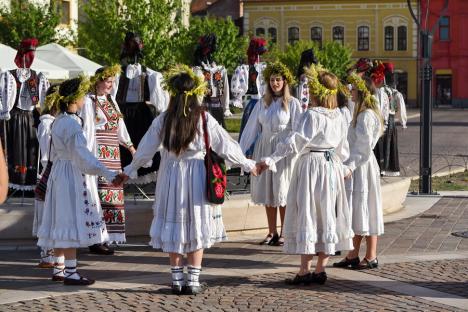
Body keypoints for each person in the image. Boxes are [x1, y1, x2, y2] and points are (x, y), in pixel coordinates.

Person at [121, 65, 258, 295]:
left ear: (172, 94)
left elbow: (145, 150)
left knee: (174, 224)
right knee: (195, 225)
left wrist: (129, 169)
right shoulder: (203, 118)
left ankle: (176, 279)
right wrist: (248, 164)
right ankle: (193, 280)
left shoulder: (164, 119)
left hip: (171, 175)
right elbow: (225, 145)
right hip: (196, 176)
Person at [259, 64, 352, 285]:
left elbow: (295, 142)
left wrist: (271, 158)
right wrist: (345, 168)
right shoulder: (340, 115)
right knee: (327, 214)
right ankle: (320, 268)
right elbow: (343, 148)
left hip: (312, 167)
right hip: (331, 168)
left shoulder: (312, 115)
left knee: (308, 213)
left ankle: (304, 270)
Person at [37, 76, 122, 286]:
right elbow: (83, 157)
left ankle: (59, 267)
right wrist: (109, 173)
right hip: (69, 175)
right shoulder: (72, 124)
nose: (85, 99)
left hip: (59, 173)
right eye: (83, 95)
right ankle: (71, 272)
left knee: (61, 220)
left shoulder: (58, 121)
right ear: (75, 98)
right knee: (70, 221)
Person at [239, 61, 302, 246]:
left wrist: (288, 148)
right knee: (268, 190)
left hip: (283, 150)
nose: (275, 83)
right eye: (272, 80)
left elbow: (298, 130)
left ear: (284, 82)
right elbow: (251, 129)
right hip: (264, 147)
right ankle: (271, 231)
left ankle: (285, 231)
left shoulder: (293, 104)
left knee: (282, 191)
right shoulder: (262, 103)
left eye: (278, 80)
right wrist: (241, 154)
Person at [82, 65, 135, 254]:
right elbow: (88, 130)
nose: (111, 85)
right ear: (98, 81)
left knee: (113, 194)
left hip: (113, 153)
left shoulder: (111, 100)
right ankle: (96, 239)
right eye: (108, 81)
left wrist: (130, 146)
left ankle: (109, 236)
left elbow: (120, 126)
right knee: (100, 195)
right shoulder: (89, 101)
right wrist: (89, 157)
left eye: (112, 82)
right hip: (99, 152)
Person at [334, 73, 384, 270]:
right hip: (358, 165)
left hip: (362, 167)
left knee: (367, 208)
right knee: (358, 209)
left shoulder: (366, 116)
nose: (350, 91)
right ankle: (353, 254)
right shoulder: (361, 114)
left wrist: (350, 166)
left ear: (362, 93)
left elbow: (363, 147)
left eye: (353, 89)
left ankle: (371, 255)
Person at [113, 32, 168, 185]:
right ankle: (124, 177)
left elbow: (160, 103)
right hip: (122, 114)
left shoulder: (150, 75)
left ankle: (138, 176)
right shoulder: (117, 74)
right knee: (124, 145)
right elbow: (111, 97)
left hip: (141, 115)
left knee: (143, 144)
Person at [0, 38, 49, 191]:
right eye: (29, 53)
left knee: (31, 150)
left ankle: (29, 182)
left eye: (33, 54)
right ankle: (15, 182)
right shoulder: (10, 75)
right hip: (14, 118)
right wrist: (5, 112)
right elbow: (5, 97)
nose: (31, 57)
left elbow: (43, 100)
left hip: (31, 118)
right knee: (16, 149)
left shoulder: (37, 76)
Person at [33, 85, 59, 268]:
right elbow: (45, 155)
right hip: (48, 173)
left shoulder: (55, 122)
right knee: (46, 215)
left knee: (55, 214)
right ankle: (47, 254)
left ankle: (54, 254)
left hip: (53, 172)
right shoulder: (47, 123)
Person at [231, 37, 268, 157]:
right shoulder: (245, 69)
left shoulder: (264, 68)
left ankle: (260, 154)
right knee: (250, 131)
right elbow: (237, 87)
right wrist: (239, 98)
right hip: (253, 104)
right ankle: (249, 155)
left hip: (265, 103)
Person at [193, 34, 231, 128]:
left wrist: (215, 68)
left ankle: (225, 107)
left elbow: (220, 81)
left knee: (223, 72)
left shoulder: (211, 61)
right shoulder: (197, 62)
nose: (208, 50)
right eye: (207, 47)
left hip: (214, 94)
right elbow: (198, 68)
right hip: (203, 98)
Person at [380, 62, 407, 176]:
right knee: (388, 144)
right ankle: (387, 168)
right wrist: (402, 121)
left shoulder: (382, 90)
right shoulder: (394, 91)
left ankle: (383, 168)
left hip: (384, 119)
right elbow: (400, 106)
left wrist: (402, 120)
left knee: (383, 144)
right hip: (390, 119)